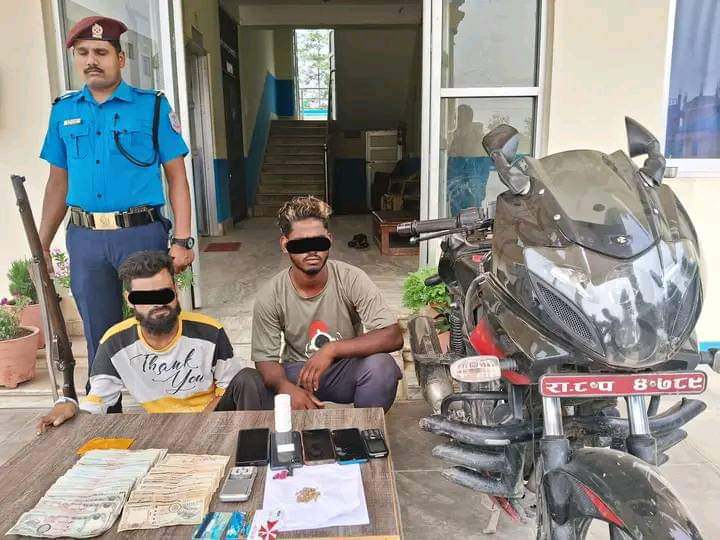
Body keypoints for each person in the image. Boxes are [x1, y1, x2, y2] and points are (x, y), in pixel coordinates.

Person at [37, 16, 195, 412]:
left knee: (157, 319)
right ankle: (106, 415)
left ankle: (170, 406)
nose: (92, 60)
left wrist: (182, 239)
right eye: (83, 53)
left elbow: (177, 177)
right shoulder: (63, 111)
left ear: (120, 59)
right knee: (98, 332)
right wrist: (41, 243)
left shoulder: (151, 106)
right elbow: (57, 184)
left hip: (140, 233)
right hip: (86, 239)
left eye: (101, 52)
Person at [37, 251, 263, 432]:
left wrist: (198, 424)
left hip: (213, 418)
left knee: (248, 378)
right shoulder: (115, 342)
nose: (158, 304)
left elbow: (228, 387)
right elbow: (99, 400)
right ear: (130, 300)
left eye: (164, 294)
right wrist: (69, 405)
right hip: (160, 427)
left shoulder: (209, 330)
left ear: (175, 291)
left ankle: (255, 453)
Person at [240, 196, 405, 413]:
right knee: (250, 383)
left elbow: (393, 336)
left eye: (318, 242)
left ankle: (366, 429)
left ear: (329, 239)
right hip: (297, 373)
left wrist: (331, 349)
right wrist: (285, 388)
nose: (311, 251)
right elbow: (265, 359)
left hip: (344, 369)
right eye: (301, 244)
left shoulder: (351, 278)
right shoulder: (271, 295)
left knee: (382, 367)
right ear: (285, 245)